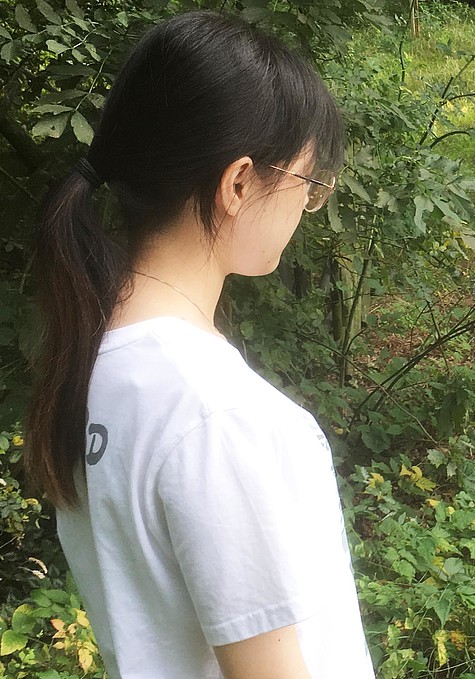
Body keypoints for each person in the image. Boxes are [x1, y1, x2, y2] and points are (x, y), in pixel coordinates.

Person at [24, 11, 374, 679]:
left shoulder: (87, 364)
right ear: (238, 182)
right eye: (307, 183)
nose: (306, 207)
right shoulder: (219, 414)